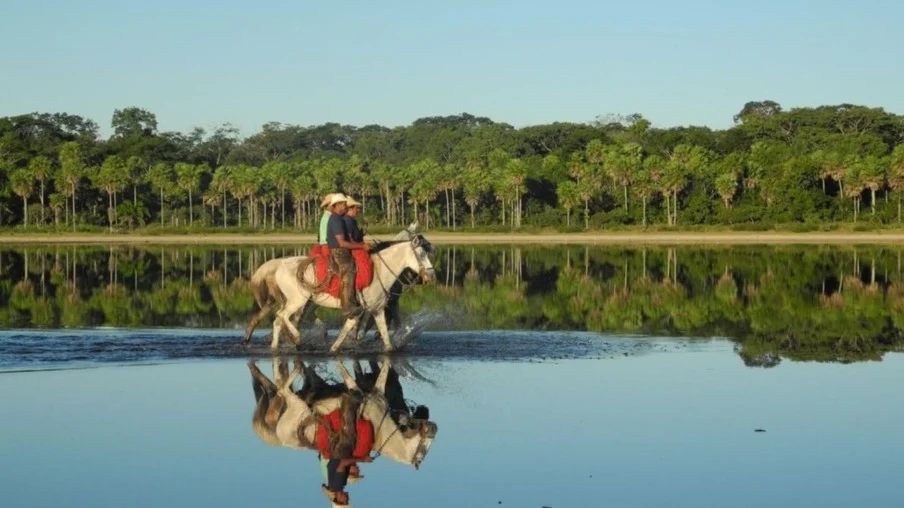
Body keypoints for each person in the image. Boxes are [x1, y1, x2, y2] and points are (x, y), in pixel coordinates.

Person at [325, 194, 369, 316]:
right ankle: (348, 307)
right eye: (344, 204)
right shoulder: (336, 219)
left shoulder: (338, 218)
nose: (345, 206)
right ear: (337, 205)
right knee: (348, 272)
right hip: (339, 252)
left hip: (341, 250)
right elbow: (342, 243)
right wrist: (362, 246)